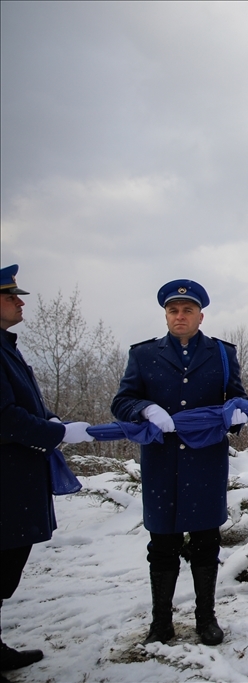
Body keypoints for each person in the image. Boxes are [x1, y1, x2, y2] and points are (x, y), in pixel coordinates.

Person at [111, 279, 248, 646]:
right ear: (166, 315)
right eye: (173, 310)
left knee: (206, 541)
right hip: (162, 462)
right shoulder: (143, 355)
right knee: (162, 544)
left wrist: (236, 413)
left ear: (201, 316)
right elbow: (122, 402)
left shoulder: (221, 352)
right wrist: (145, 407)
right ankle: (161, 622)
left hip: (206, 461)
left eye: (187, 310)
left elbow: (237, 397)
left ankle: (206, 618)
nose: (180, 316)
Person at [1, 265, 93, 675]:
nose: (20, 302)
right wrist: (55, 433)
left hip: (16, 476)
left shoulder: (6, 346)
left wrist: (50, 421)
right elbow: (4, 417)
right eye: (10, 297)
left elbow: (23, 407)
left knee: (7, 563)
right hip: (5, 478)